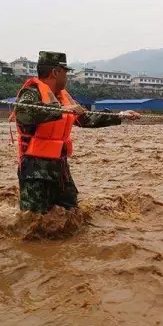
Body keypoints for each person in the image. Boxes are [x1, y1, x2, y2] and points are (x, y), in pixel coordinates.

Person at [13, 51, 140, 214]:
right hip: (34, 168)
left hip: (60, 166)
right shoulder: (31, 92)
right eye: (65, 72)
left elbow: (86, 119)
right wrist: (62, 109)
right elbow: (23, 113)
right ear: (55, 72)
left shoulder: (64, 97)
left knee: (71, 212)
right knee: (33, 218)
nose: (67, 77)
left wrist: (120, 116)